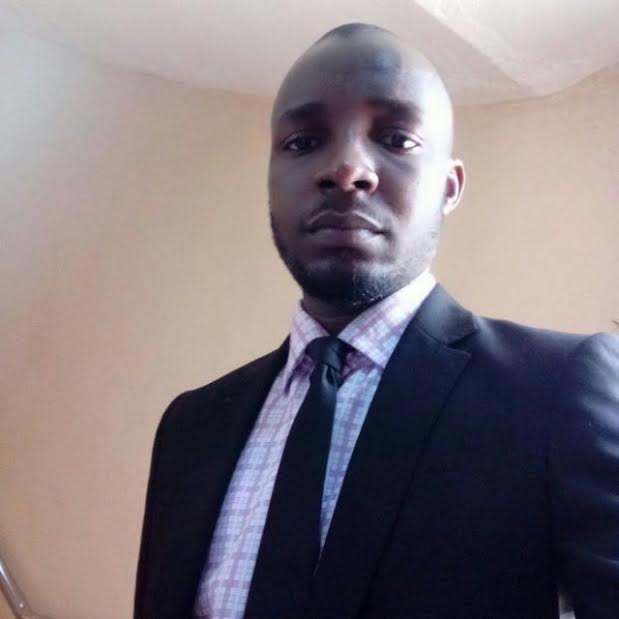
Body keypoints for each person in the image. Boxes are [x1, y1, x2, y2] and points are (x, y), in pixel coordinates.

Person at [134, 23, 619, 619]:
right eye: (301, 142)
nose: (345, 169)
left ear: (449, 187)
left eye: (396, 138)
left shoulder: (558, 390)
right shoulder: (189, 428)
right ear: (270, 180)